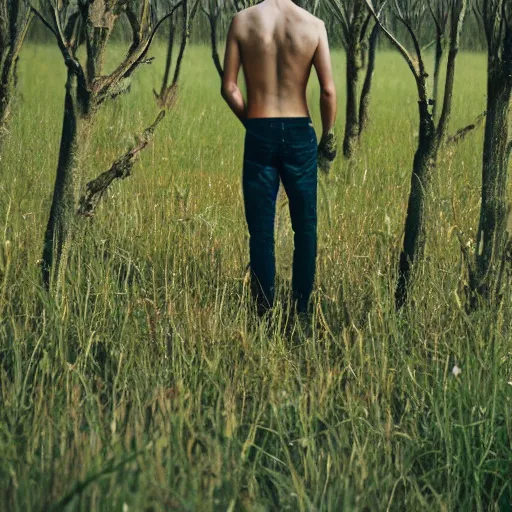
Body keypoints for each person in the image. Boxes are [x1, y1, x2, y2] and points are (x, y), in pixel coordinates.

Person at [221, 0, 337, 317]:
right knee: (305, 228)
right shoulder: (313, 25)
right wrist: (328, 137)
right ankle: (301, 311)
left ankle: (264, 314)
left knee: (260, 232)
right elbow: (328, 92)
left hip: (259, 127)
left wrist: (254, 124)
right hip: (300, 132)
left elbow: (228, 87)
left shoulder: (242, 21)